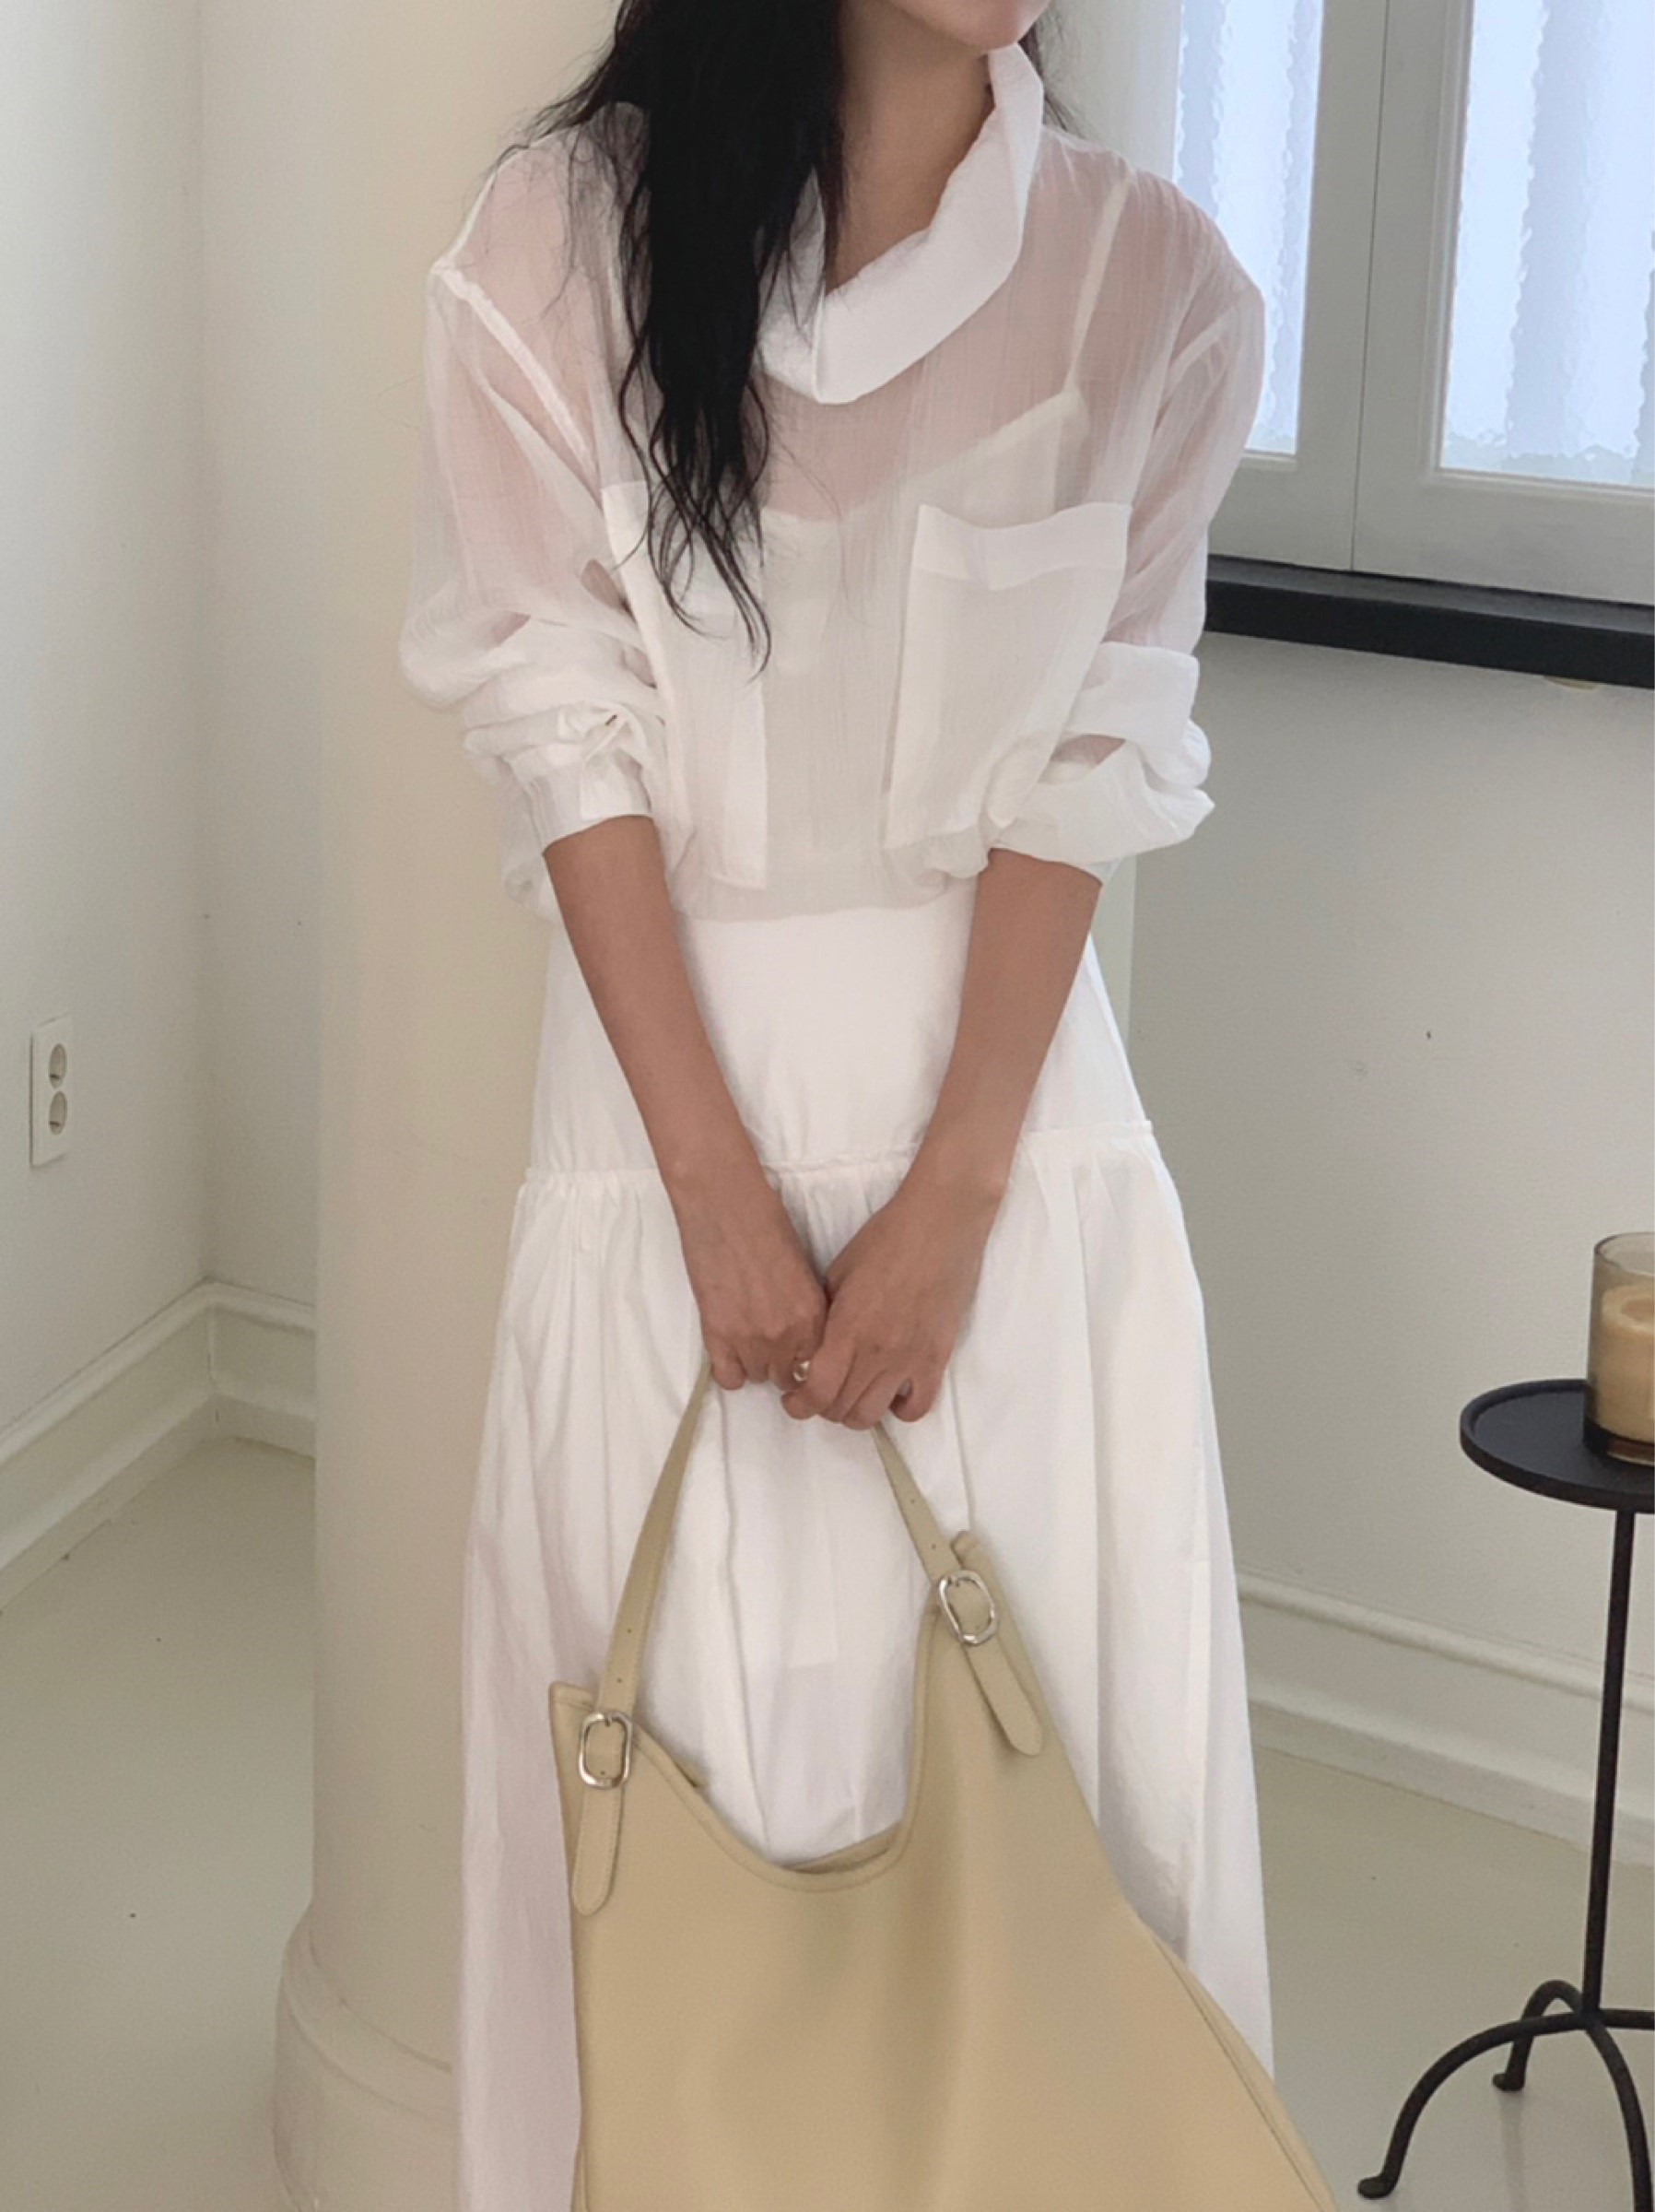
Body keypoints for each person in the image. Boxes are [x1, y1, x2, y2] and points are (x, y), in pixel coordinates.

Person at [398, 2, 1270, 2202]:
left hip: (1014, 1174)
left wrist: (956, 1201)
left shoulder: (1154, 287)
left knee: (1051, 1885)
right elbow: (562, 737)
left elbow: (1091, 764)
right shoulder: (549, 252)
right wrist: (710, 1191)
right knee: (683, 1884)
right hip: (657, 1161)